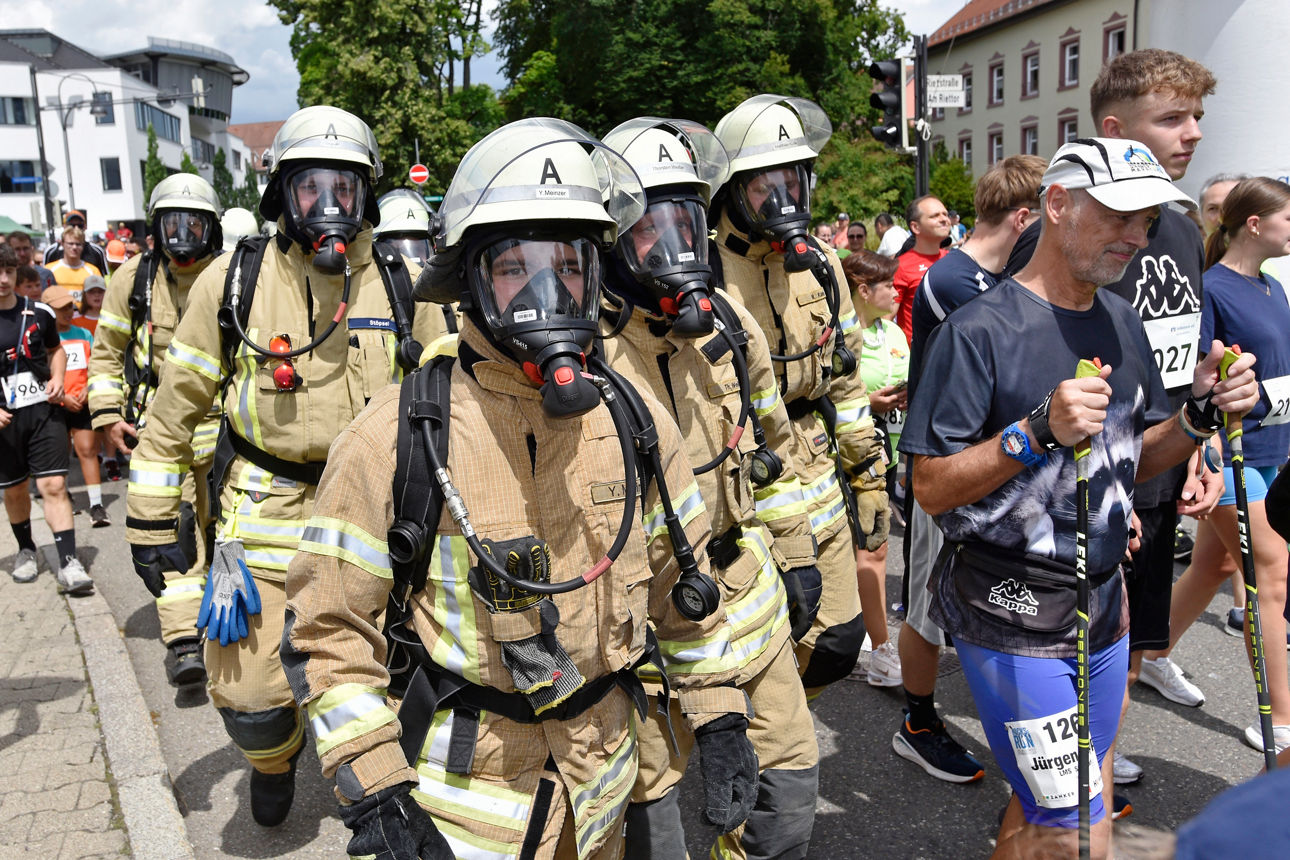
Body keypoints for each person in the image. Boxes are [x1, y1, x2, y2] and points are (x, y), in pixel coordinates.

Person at [283, 117, 756, 859]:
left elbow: (682, 588)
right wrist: (376, 791)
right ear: (470, 280)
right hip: (467, 814)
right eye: (516, 268)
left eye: (568, 266)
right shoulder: (397, 438)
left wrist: (722, 715)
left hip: (602, 789)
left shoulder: (635, 420)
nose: (549, 291)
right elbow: (329, 633)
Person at [901, 137, 1260, 860]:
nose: (1138, 237)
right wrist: (1035, 431)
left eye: (1149, 220)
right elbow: (930, 487)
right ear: (1058, 206)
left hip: (1104, 607)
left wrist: (1199, 417)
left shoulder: (1120, 319)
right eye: (1120, 216)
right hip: (1012, 610)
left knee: (1050, 806)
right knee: (1074, 825)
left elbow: (1137, 452)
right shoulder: (980, 330)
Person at [124, 106, 447, 826]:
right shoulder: (233, 281)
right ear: (282, 196)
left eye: (346, 187)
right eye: (311, 188)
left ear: (367, 195)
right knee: (246, 693)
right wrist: (150, 520)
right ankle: (274, 759)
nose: (330, 206)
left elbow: (454, 390)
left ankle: (387, 781)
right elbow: (175, 408)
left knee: (398, 669)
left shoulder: (400, 282)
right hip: (264, 511)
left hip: (382, 514)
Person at [600, 117, 819, 859]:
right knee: (657, 837)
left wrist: (798, 554)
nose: (674, 250)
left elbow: (773, 452)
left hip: (745, 593)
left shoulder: (729, 326)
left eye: (686, 223)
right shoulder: (586, 360)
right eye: (649, 229)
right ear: (609, 245)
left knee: (784, 812)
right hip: (643, 636)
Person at [1005, 51, 1221, 789]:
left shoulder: (1186, 231)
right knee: (1073, 630)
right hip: (1086, 474)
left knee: (1130, 626)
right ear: (1113, 128)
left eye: (1197, 117)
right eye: (1172, 118)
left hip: (1160, 450)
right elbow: (1029, 360)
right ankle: (1059, 780)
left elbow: (1182, 341)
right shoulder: (1073, 234)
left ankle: (1097, 750)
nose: (1191, 133)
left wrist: (1201, 433)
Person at [712, 93, 888, 699]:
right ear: (733, 188)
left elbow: (845, 376)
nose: (784, 196)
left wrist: (867, 476)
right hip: (746, 481)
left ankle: (782, 742)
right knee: (765, 634)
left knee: (837, 641)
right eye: (766, 182)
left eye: (795, 178)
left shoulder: (820, 265)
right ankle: (771, 759)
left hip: (818, 470)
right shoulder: (705, 271)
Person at [892, 154, 1046, 784]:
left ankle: (1043, 748)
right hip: (950, 468)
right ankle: (918, 723)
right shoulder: (958, 283)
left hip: (996, 464)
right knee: (930, 601)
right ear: (1025, 216)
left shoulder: (994, 276)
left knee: (1004, 598)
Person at [1141, 177, 1290, 754]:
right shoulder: (1212, 288)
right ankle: (1280, 722)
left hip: (1272, 453)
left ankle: (1153, 656)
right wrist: (1200, 452)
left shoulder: (1273, 287)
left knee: (1213, 564)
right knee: (1272, 577)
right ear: (1254, 224)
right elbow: (1191, 381)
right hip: (1230, 456)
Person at [90, 173, 226, 688]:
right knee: (174, 533)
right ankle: (184, 641)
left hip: (226, 433)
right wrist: (106, 415)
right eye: (173, 223)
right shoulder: (134, 279)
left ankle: (232, 624)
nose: (182, 235)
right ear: (156, 227)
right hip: (161, 436)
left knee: (228, 533)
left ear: (210, 228)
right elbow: (105, 353)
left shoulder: (234, 276)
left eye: (193, 223)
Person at [0, 244, 92, 593]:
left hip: (44, 412)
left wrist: (57, 379)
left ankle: (69, 562)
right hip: (5, 420)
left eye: (9, 271)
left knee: (53, 484)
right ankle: (26, 549)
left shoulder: (39, 312)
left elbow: (57, 351)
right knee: (15, 490)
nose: (3, 279)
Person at [844, 249, 906, 688]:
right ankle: (881, 648)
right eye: (888, 285)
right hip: (843, 456)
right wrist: (870, 402)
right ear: (864, 291)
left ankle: (868, 633)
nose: (896, 293)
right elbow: (821, 395)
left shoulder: (894, 334)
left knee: (870, 548)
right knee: (872, 548)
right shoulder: (840, 336)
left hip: (887, 454)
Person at [41, 285, 108, 527]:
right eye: (61, 308)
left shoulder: (83, 334)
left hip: (82, 402)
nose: (68, 312)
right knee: (60, 453)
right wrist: (62, 397)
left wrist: (86, 390)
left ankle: (97, 505)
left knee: (88, 449)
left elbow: (95, 366)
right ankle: (65, 496)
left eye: (70, 306)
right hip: (55, 403)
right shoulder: (41, 340)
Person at [892, 195, 951, 342]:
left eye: (945, 214)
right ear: (915, 227)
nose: (944, 219)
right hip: (918, 356)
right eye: (935, 216)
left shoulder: (955, 260)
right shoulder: (900, 266)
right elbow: (886, 318)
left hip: (952, 353)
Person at [46, 226, 104, 304]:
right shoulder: (49, 270)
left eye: (78, 244)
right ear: (62, 244)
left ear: (83, 246)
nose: (74, 247)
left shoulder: (93, 271)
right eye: (70, 243)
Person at [43, 210, 109, 273]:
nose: (76, 228)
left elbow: (103, 278)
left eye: (80, 225)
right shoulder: (51, 252)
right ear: (64, 226)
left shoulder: (96, 252)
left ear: (85, 227)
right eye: (72, 225)